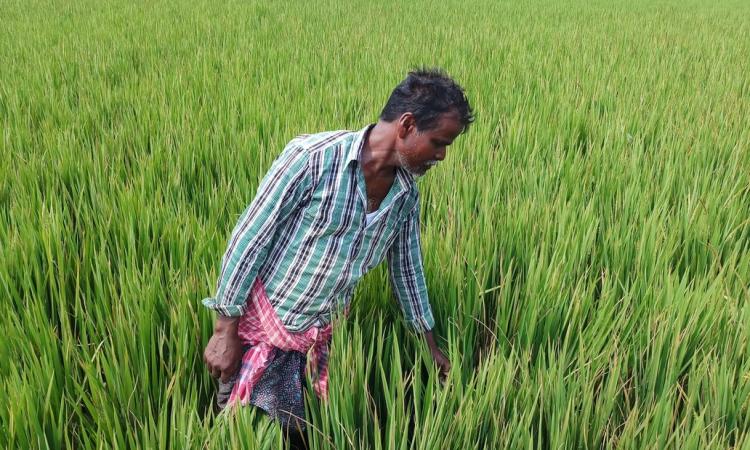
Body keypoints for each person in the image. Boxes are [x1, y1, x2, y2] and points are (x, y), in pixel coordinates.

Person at [202, 67, 474, 447]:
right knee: (242, 435)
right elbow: (249, 241)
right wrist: (223, 331)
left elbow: (408, 273)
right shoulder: (312, 159)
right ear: (407, 125)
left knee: (303, 435)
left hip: (320, 342)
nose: (443, 155)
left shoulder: (405, 196)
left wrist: (430, 347)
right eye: (439, 142)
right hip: (262, 334)